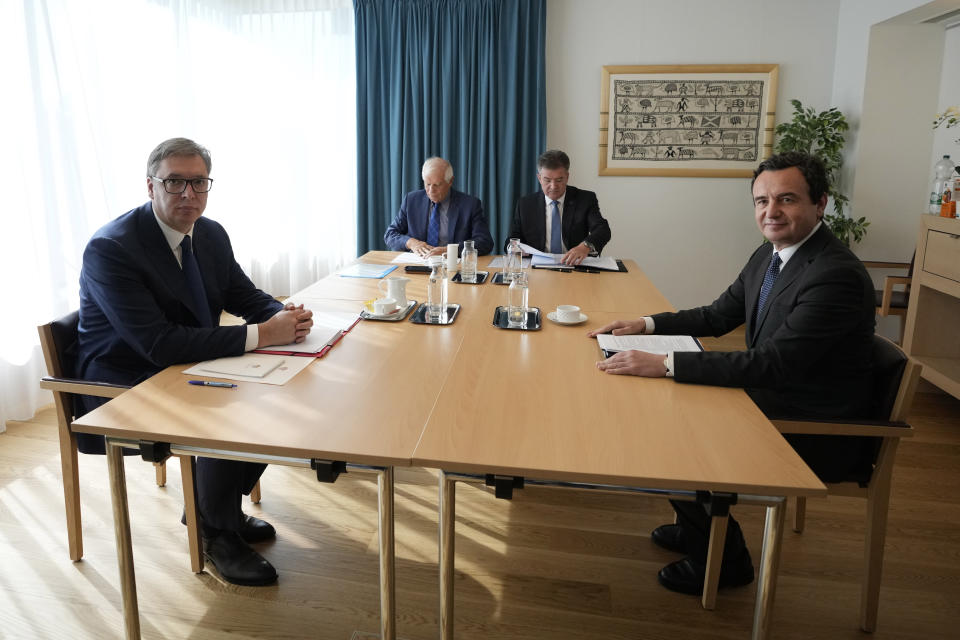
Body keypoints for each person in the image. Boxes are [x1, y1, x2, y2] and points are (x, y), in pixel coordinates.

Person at [588, 151, 875, 596]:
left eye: (786, 199)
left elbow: (772, 364)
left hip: (816, 423)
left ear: (819, 203)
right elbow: (718, 314)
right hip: (780, 394)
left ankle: (726, 560)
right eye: (761, 201)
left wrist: (664, 363)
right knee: (666, 411)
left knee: (673, 427)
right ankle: (698, 525)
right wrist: (646, 324)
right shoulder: (771, 253)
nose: (771, 212)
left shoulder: (834, 274)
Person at [76, 137, 314, 587]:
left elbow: (242, 294)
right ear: (150, 187)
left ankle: (211, 505)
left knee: (273, 391)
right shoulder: (112, 248)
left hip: (182, 366)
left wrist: (284, 318)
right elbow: (157, 343)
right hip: (124, 380)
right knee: (223, 403)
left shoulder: (211, 233)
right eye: (175, 183)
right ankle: (215, 532)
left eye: (199, 183)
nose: (189, 194)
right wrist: (264, 335)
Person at [508, 149, 611, 266]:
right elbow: (513, 238)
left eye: (559, 180)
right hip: (537, 267)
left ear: (567, 177)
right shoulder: (525, 204)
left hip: (574, 265)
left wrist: (585, 246)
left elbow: (602, 229)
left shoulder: (585, 199)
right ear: (539, 178)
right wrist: (514, 247)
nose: (553, 186)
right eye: (547, 180)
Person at [384, 157, 494, 257]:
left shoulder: (470, 205)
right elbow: (390, 234)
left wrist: (450, 250)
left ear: (450, 181)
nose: (431, 191)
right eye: (427, 184)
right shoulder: (411, 200)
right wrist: (411, 243)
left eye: (437, 185)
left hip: (452, 266)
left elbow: (484, 242)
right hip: (418, 264)